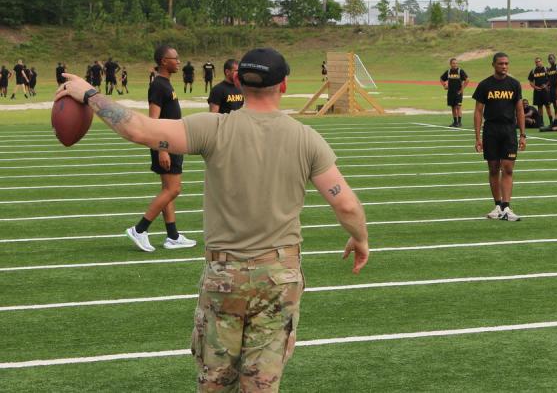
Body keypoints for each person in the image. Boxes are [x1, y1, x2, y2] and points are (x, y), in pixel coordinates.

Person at [55, 47, 369, 391]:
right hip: (278, 277)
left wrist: (88, 93)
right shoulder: (307, 138)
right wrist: (360, 239)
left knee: (215, 384)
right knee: (261, 386)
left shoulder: (213, 128)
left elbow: (138, 130)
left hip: (224, 275)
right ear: (283, 86)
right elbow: (347, 206)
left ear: (237, 81)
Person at [125, 45, 196, 252]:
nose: (179, 62)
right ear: (164, 61)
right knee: (174, 189)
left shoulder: (166, 84)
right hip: (166, 144)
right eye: (175, 58)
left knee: (168, 190)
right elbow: (153, 121)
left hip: (170, 142)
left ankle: (172, 236)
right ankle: (139, 229)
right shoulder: (158, 85)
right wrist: (162, 149)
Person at [472, 52, 526, 221]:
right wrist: (477, 137)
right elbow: (478, 111)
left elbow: (519, 110)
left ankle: (507, 207)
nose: (504, 66)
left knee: (508, 168)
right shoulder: (484, 85)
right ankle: (497, 205)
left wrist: (523, 135)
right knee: (494, 168)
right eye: (501, 63)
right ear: (494, 64)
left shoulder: (514, 84)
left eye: (506, 63)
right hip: (491, 130)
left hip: (509, 130)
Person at [440, 58, 468, 127]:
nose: (455, 64)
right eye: (453, 63)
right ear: (450, 64)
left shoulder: (460, 71)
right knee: (453, 107)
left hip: (458, 92)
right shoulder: (448, 72)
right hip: (450, 92)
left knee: (458, 107)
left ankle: (459, 122)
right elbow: (441, 79)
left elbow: (467, 80)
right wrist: (444, 85)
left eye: (456, 63)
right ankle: (455, 122)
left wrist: (462, 89)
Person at [528, 57, 554, 124]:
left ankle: (551, 121)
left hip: (545, 91)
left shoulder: (546, 69)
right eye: (536, 62)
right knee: (539, 107)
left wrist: (546, 85)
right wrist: (535, 87)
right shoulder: (533, 71)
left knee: (547, 106)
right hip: (537, 91)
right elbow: (530, 81)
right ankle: (541, 122)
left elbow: (550, 78)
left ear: (541, 61)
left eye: (539, 61)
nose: (538, 63)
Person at [545, 54, 557, 124]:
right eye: (549, 59)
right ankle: (556, 122)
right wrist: (547, 86)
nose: (550, 60)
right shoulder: (549, 69)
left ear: (555, 59)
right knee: (555, 106)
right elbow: (549, 79)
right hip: (551, 90)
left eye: (551, 58)